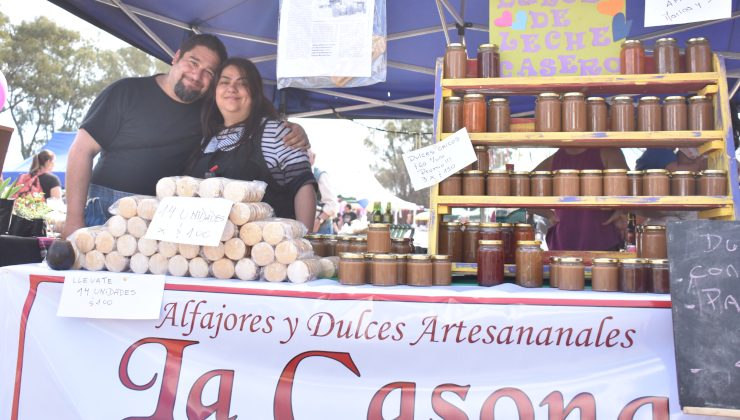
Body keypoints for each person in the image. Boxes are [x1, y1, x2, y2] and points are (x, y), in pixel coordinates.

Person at [62, 34, 309, 239]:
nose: (197, 75)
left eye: (208, 72)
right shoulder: (126, 91)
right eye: (193, 62)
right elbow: (81, 151)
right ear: (176, 57)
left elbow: (247, 112)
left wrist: (291, 128)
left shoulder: (209, 114)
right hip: (105, 211)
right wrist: (73, 219)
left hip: (165, 222)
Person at [185, 57, 316, 229]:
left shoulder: (275, 132)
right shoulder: (206, 138)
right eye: (224, 82)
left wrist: (303, 240)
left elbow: (303, 185)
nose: (232, 88)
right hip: (210, 251)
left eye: (242, 83)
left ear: (254, 93)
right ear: (215, 91)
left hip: (265, 250)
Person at [533, 147, 628, 251]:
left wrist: (621, 209)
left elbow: (630, 189)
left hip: (594, 240)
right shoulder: (610, 152)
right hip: (585, 240)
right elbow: (631, 189)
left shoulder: (610, 152)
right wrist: (549, 215)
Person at [307, 149, 338, 233]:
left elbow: (332, 204)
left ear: (313, 158)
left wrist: (319, 220)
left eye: (307, 156)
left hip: (321, 229)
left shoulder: (320, 176)